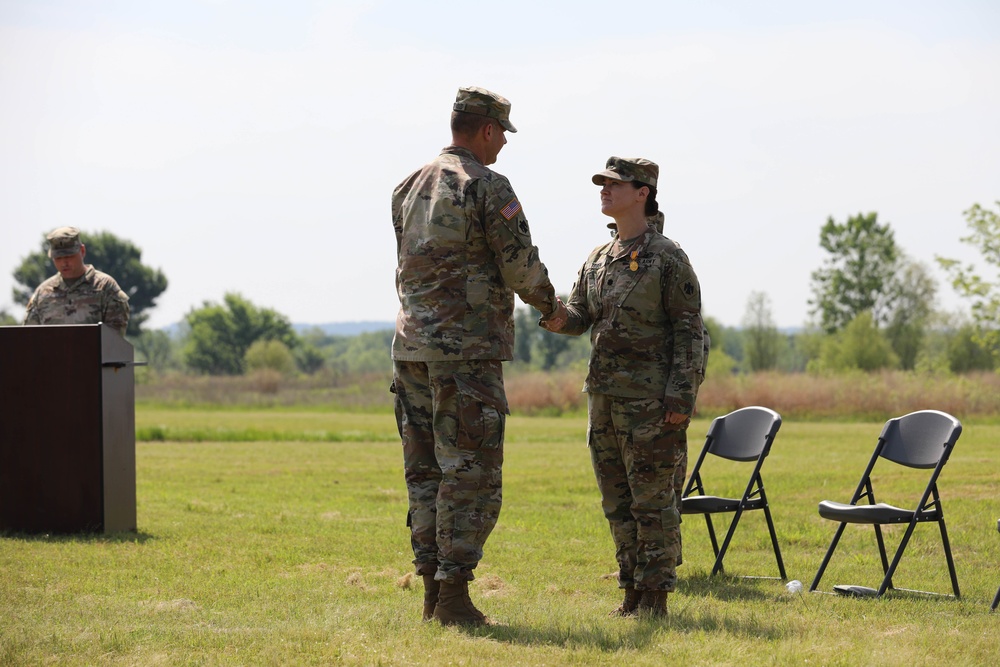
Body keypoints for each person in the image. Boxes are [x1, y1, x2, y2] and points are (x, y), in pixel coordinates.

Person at [390, 86, 567, 626]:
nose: (503, 147)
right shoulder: (487, 185)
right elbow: (519, 264)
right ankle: (453, 598)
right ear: (487, 129)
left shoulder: (407, 185)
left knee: (426, 474)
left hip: (411, 349)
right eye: (502, 136)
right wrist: (553, 307)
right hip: (465, 354)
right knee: (470, 472)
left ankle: (431, 594)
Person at [542, 157, 706, 617]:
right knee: (618, 500)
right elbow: (578, 318)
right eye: (602, 184)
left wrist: (680, 397)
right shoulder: (599, 257)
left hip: (652, 402)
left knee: (653, 502)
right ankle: (631, 592)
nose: (604, 190)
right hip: (605, 399)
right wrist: (551, 312)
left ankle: (655, 598)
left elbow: (690, 332)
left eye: (615, 184)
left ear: (643, 193)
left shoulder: (667, 257)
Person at [23, 227, 130, 336]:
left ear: (82, 251)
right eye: (58, 258)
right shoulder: (43, 293)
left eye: (69, 256)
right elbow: (28, 339)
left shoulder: (105, 287)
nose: (64, 263)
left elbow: (115, 341)